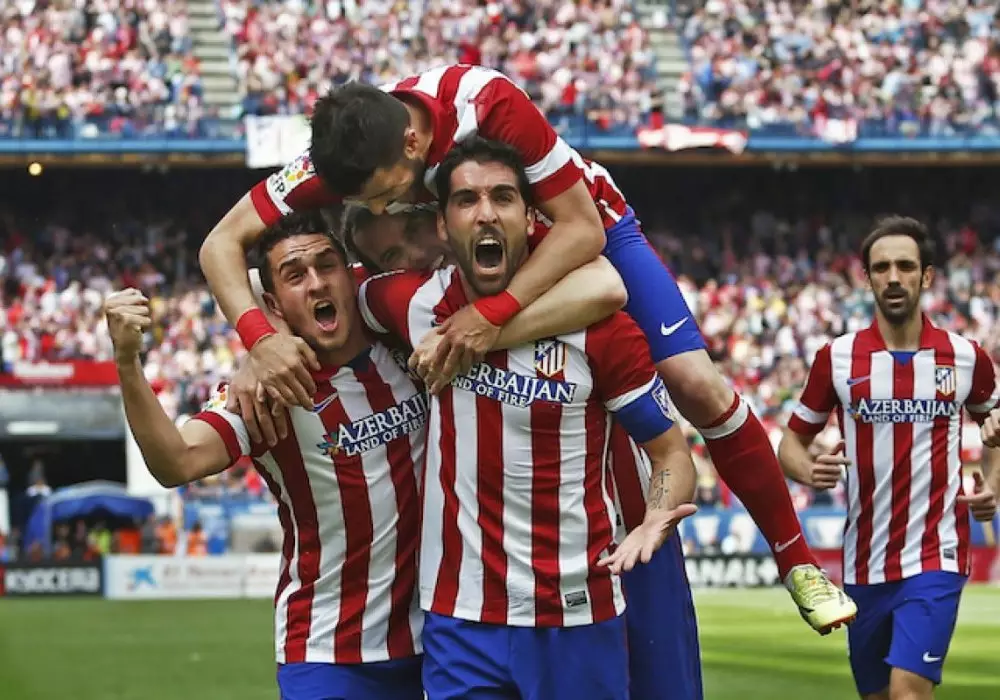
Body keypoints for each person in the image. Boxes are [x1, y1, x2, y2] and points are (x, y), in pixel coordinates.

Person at [199, 65, 853, 631]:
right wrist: (259, 340)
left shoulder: (487, 102)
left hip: (577, 226)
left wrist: (491, 317)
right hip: (472, 255)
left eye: (388, 192)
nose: (388, 204)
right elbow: (222, 244)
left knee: (695, 382)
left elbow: (584, 237)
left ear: (413, 142)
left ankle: (797, 561)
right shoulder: (350, 152)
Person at [357, 137, 699, 699]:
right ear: (443, 225)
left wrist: (656, 515)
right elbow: (307, 299)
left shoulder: (600, 328)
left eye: (503, 197)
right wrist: (262, 344)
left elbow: (671, 454)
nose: (485, 213)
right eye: (466, 200)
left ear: (530, 217)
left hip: (577, 613)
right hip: (462, 619)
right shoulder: (415, 305)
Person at [106, 212, 427, 700]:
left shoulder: (404, 337)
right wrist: (128, 363)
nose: (316, 282)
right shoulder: (270, 391)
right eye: (295, 276)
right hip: (327, 653)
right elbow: (176, 461)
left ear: (351, 276)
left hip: (434, 642)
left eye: (327, 266)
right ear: (274, 304)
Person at [777, 216, 999, 700]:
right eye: (881, 268)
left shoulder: (965, 357)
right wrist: (809, 470)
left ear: (927, 276)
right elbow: (789, 445)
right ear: (867, 278)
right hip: (864, 563)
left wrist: (992, 486)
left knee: (907, 692)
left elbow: (995, 429)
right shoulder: (837, 358)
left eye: (905, 266)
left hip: (936, 553)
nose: (893, 277)